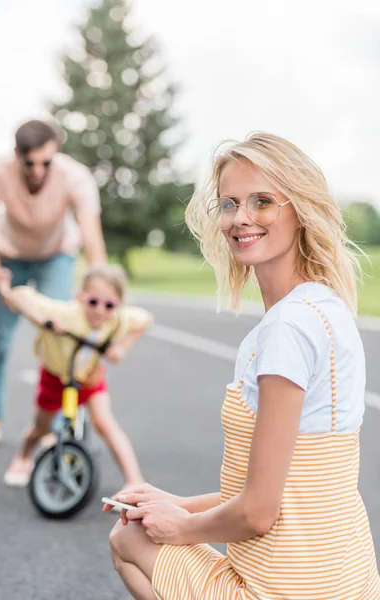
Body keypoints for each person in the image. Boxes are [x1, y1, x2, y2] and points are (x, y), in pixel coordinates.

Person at [104, 132, 380, 599]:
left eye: (263, 201)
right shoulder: (326, 306)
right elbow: (290, 489)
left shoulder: (286, 330)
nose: (241, 218)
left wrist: (180, 527)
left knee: (126, 539)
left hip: (284, 589)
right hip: (346, 580)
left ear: (300, 209)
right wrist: (176, 504)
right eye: (230, 203)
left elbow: (257, 513)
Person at [0, 119, 107, 451]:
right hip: (9, 257)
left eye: (45, 163)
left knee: (59, 335)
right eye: (29, 163)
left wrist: (101, 289)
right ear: (15, 154)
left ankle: (58, 423)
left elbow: (91, 237)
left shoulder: (76, 177)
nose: (37, 171)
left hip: (55, 255)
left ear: (57, 152)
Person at [0, 264, 152, 487]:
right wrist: (43, 320)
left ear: (118, 305)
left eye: (109, 305)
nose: (100, 311)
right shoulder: (65, 314)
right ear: (80, 297)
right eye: (93, 302)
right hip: (54, 377)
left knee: (105, 423)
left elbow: (145, 320)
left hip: (89, 378)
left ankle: (135, 482)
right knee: (41, 428)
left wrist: (121, 348)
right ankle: (23, 457)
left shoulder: (118, 318)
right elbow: (19, 296)